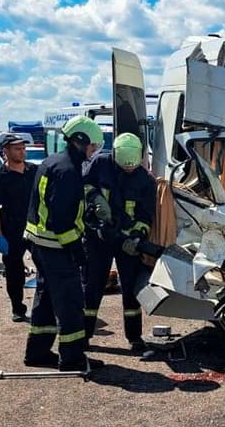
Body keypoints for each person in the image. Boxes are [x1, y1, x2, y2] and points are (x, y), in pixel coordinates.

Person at [23, 115, 105, 373]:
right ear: (80, 141)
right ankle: (72, 358)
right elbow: (60, 220)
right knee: (70, 302)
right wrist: (77, 251)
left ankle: (36, 352)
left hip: (39, 243)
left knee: (46, 298)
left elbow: (55, 206)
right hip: (57, 246)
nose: (93, 152)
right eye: (92, 146)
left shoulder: (52, 161)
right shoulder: (69, 171)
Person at [82, 133, 156, 353]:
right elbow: (84, 185)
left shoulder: (145, 180)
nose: (129, 170)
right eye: (125, 167)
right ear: (114, 155)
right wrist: (95, 199)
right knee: (92, 287)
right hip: (98, 238)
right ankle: (83, 336)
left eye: (132, 168)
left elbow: (146, 216)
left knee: (131, 290)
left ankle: (134, 338)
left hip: (126, 243)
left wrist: (136, 237)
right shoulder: (100, 163)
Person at [0, 134, 37, 322]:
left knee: (47, 267)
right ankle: (18, 308)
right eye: (17, 149)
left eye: (23, 148)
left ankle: (49, 307)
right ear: (5, 151)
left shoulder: (34, 170)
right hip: (11, 230)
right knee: (14, 272)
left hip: (35, 228)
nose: (22, 152)